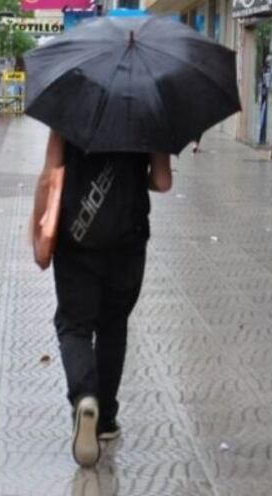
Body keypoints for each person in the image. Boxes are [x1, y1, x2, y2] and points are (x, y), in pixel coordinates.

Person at [34, 130, 172, 468]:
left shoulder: (71, 110)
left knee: (74, 324)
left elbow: (51, 174)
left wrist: (37, 231)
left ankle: (84, 398)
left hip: (77, 235)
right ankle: (105, 419)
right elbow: (163, 181)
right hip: (128, 237)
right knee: (114, 325)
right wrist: (138, 178)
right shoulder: (149, 111)